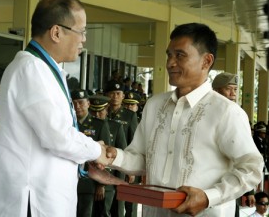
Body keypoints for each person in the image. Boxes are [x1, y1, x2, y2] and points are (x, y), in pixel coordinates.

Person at [104, 23, 264, 216]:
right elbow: (144, 159)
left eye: (180, 55)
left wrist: (208, 197)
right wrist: (112, 156)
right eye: (169, 55)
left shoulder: (226, 112)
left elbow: (251, 168)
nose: (170, 63)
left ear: (206, 61)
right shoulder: (155, 106)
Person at [0, 0, 112, 217]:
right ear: (56, 32)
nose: (84, 40)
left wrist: (87, 154)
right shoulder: (31, 69)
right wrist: (96, 151)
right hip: (31, 203)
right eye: (81, 31)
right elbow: (57, 136)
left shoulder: (43, 69)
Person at [212, 72, 256, 216]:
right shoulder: (205, 113)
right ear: (216, 90)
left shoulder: (238, 114)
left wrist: (249, 191)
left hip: (228, 183)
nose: (233, 93)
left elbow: (246, 154)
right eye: (228, 89)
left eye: (236, 89)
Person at [71, 89, 111, 217]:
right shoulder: (67, 124)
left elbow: (107, 155)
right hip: (68, 181)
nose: (78, 106)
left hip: (88, 183)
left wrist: (101, 184)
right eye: (74, 103)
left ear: (88, 103)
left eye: (81, 103)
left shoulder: (99, 125)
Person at [89, 95, 127, 217]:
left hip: (108, 180)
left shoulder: (115, 126)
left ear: (106, 110)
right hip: (88, 182)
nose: (97, 115)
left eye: (100, 111)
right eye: (94, 111)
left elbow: (121, 153)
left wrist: (105, 184)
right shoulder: (86, 126)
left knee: (106, 212)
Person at [105, 80, 139, 217]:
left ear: (123, 96)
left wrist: (130, 169)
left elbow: (134, 142)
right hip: (105, 161)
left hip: (122, 162)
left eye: (118, 94)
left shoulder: (129, 116)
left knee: (124, 201)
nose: (115, 97)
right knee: (107, 201)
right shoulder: (101, 113)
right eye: (112, 93)